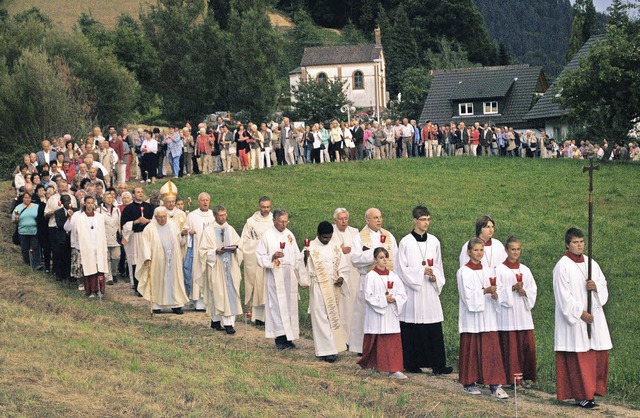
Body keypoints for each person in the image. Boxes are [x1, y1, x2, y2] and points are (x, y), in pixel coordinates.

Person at [553, 228, 611, 409]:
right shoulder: (562, 266)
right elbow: (563, 296)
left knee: (595, 354)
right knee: (578, 356)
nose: (579, 245)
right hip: (576, 320)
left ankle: (591, 391)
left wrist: (595, 287)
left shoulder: (590, 262)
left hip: (593, 316)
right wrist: (580, 313)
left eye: (581, 242)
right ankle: (580, 394)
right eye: (575, 242)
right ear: (567, 244)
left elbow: (603, 283)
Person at [395, 206, 453, 375]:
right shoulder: (405, 242)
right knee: (413, 326)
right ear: (415, 220)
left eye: (428, 219)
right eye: (423, 219)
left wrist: (435, 276)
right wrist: (420, 272)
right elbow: (401, 268)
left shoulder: (434, 241)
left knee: (433, 326)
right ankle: (412, 363)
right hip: (413, 291)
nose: (426, 223)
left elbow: (438, 265)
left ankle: (438, 365)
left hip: (429, 289)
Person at [457, 238, 509, 399]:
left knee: (491, 350)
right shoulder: (463, 272)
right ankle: (469, 383)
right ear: (469, 252)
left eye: (481, 250)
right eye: (476, 250)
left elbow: (498, 291)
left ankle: (495, 384)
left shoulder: (488, 270)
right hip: (472, 318)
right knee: (472, 349)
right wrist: (485, 291)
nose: (479, 253)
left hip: (488, 316)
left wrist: (495, 294)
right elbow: (467, 296)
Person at [256, 209, 308, 349]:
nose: (284, 224)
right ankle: (280, 338)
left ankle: (289, 338)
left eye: (286, 221)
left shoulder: (289, 234)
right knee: (278, 306)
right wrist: (272, 257)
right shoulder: (267, 235)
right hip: (276, 275)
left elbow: (296, 255)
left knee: (290, 306)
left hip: (289, 275)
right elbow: (260, 256)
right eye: (282, 221)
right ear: (274, 220)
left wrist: (304, 255)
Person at [349, 208, 398, 354]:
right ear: (367, 220)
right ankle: (362, 347)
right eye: (375, 218)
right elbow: (355, 259)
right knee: (365, 314)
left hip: (386, 280)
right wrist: (374, 253)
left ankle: (382, 345)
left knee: (384, 312)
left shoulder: (388, 236)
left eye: (380, 217)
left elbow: (396, 255)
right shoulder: (359, 237)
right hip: (369, 279)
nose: (379, 220)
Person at [357, 247, 408, 378]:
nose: (384, 260)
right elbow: (368, 296)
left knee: (391, 341)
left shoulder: (394, 276)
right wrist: (384, 299)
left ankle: (393, 368)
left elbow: (402, 294)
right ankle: (374, 365)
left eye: (386, 257)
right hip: (377, 313)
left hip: (390, 313)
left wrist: (395, 299)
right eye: (381, 257)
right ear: (375, 260)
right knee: (377, 340)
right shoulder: (371, 276)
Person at [496, 236, 537, 387]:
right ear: (506, 250)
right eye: (512, 249)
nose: (515, 252)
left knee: (526, 345)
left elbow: (533, 289)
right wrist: (511, 289)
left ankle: (525, 376)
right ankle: (510, 377)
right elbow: (497, 290)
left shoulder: (525, 269)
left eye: (518, 249)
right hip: (508, 315)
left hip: (523, 313)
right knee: (511, 346)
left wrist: (524, 292)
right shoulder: (499, 269)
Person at [306, 221, 349, 362]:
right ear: (318, 234)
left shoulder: (335, 247)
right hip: (318, 285)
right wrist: (305, 259)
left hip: (333, 285)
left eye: (329, 237)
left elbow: (343, 266)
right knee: (321, 317)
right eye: (324, 237)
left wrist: (342, 277)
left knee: (333, 317)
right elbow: (302, 268)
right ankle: (325, 350)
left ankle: (334, 347)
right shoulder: (310, 247)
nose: (327, 240)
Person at [136, 206, 189, 314]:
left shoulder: (173, 225)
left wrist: (183, 235)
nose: (163, 219)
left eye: (164, 216)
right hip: (157, 261)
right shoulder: (150, 228)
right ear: (155, 217)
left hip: (173, 260)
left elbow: (179, 241)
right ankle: (156, 305)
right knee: (157, 281)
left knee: (175, 281)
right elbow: (145, 245)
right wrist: (147, 257)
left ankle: (176, 305)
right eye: (160, 217)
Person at [199, 205, 244, 334]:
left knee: (230, 293)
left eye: (225, 215)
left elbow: (240, 246)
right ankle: (216, 320)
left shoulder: (230, 229)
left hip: (230, 267)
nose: (223, 217)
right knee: (217, 293)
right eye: (220, 215)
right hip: (216, 266)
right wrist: (215, 251)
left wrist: (236, 249)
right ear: (214, 215)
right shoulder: (208, 231)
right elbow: (202, 251)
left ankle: (229, 323)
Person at [64, 195, 109, 298]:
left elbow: (102, 233)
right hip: (87, 247)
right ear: (84, 204)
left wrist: (103, 248)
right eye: (88, 203)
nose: (90, 205)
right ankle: (91, 290)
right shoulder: (80, 217)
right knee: (90, 269)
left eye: (91, 203)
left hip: (98, 246)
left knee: (99, 268)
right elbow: (72, 230)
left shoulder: (99, 217)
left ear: (94, 204)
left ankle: (100, 290)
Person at [240, 196, 273, 325]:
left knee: (269, 287)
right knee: (257, 286)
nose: (265, 209)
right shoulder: (251, 222)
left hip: (270, 259)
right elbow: (245, 240)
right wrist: (257, 245)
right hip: (256, 260)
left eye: (268, 207)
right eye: (263, 207)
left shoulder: (274, 221)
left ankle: (269, 317)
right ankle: (258, 317)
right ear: (259, 206)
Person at [330, 208, 360, 342]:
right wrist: (339, 250)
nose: (343, 221)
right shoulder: (330, 233)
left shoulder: (354, 232)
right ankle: (339, 337)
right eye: (341, 219)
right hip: (337, 274)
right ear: (335, 220)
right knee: (340, 306)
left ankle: (351, 337)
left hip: (352, 272)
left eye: (346, 218)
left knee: (351, 305)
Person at [182, 192, 216, 311]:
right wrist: (188, 232)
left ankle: (210, 301)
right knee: (197, 274)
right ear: (198, 202)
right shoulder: (192, 215)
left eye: (207, 200)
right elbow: (184, 230)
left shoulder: (213, 215)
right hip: (196, 251)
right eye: (203, 200)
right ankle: (198, 302)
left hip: (210, 251)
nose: (205, 202)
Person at [120, 187, 154, 296]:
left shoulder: (149, 207)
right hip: (135, 237)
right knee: (136, 261)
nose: (140, 194)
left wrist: (148, 220)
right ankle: (138, 287)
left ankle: (148, 285)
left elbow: (156, 221)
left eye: (142, 192)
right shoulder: (129, 208)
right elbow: (124, 225)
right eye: (138, 192)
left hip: (147, 237)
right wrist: (136, 221)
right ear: (133, 195)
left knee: (147, 260)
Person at [12, 192, 41, 270]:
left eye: (29, 197)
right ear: (22, 199)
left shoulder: (36, 207)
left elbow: (40, 217)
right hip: (23, 231)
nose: (27, 199)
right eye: (25, 197)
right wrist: (16, 219)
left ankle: (36, 264)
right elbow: (13, 220)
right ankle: (27, 263)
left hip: (34, 231)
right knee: (25, 249)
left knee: (35, 248)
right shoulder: (18, 207)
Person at [98, 191, 121, 285]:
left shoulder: (117, 210)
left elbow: (119, 222)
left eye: (111, 197)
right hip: (104, 236)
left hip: (115, 236)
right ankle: (108, 277)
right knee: (106, 258)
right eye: (107, 197)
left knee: (116, 256)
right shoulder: (99, 210)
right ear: (103, 198)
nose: (109, 199)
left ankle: (114, 272)